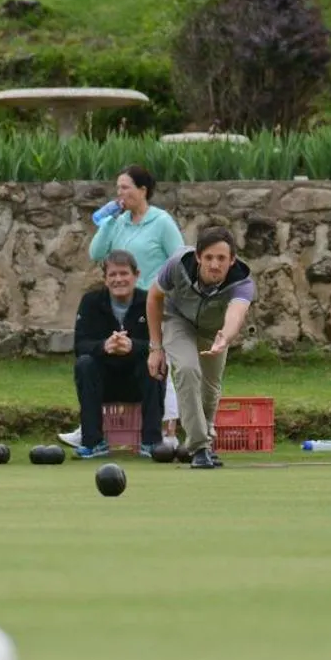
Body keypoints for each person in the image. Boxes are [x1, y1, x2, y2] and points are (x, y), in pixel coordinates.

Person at [59, 165, 185, 450]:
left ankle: (165, 431)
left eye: (125, 187)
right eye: (118, 188)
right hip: (120, 301)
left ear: (143, 190)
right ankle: (89, 431)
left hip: (154, 301)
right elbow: (96, 253)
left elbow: (179, 262)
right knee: (91, 362)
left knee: (157, 359)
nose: (120, 193)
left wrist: (165, 295)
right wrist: (108, 221)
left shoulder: (161, 222)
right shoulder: (118, 221)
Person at [147, 227, 255, 470]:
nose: (215, 265)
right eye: (209, 257)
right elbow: (153, 298)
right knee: (187, 369)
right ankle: (199, 447)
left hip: (215, 329)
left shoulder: (242, 281)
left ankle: (204, 438)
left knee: (210, 387)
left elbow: (236, 313)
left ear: (232, 260)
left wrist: (224, 337)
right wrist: (156, 348)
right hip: (177, 320)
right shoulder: (177, 265)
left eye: (221, 258)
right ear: (198, 257)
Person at [71, 250, 164, 459]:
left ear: (136, 275)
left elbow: (160, 344)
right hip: (103, 383)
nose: (118, 279)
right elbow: (80, 345)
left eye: (124, 273)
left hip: (138, 382)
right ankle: (93, 442)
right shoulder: (90, 302)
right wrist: (105, 346)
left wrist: (133, 346)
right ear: (105, 279)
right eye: (112, 274)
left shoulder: (149, 301)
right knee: (84, 363)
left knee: (155, 361)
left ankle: (152, 442)